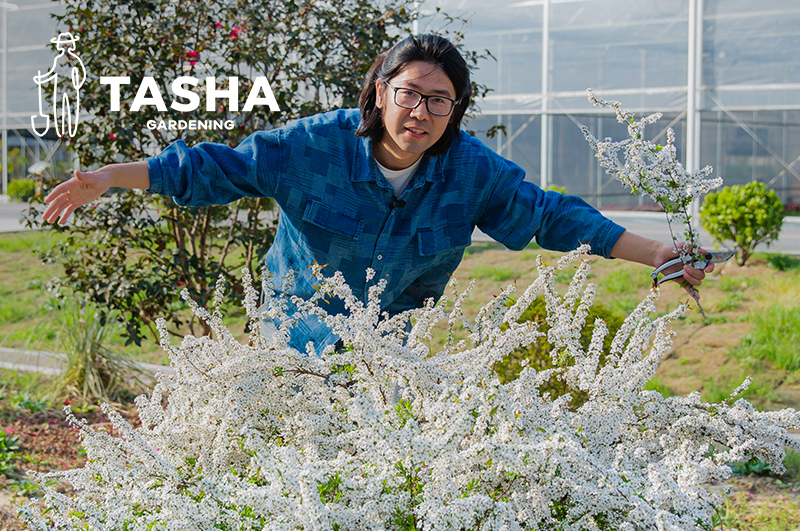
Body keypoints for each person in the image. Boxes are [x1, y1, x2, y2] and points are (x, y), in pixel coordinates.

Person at [43, 34, 711, 354]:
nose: (421, 111)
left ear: (455, 112)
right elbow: (207, 169)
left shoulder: (471, 172)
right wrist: (109, 177)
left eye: (440, 101)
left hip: (390, 344)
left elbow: (549, 216)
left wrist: (659, 253)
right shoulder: (309, 148)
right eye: (409, 93)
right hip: (293, 338)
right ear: (380, 93)